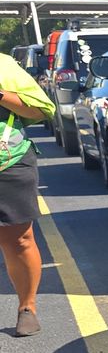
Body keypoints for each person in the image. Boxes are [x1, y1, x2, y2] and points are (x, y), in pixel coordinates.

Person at [0, 49, 54, 336]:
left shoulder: (3, 65)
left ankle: (27, 307)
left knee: (18, 239)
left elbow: (39, 110)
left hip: (7, 161)